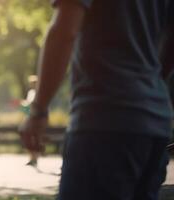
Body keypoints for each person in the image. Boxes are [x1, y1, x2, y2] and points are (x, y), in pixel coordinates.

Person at [20, 1, 173, 200]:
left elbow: (64, 31)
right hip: (156, 123)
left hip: (103, 120)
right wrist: (149, 84)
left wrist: (38, 110)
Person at [19, 75, 43, 166]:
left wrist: (27, 104)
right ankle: (32, 157)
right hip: (30, 116)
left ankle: (35, 158)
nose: (33, 85)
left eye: (34, 83)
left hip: (37, 117)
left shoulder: (39, 92)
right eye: (32, 83)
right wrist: (24, 104)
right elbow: (29, 105)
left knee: (35, 136)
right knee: (25, 133)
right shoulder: (31, 92)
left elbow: (35, 104)